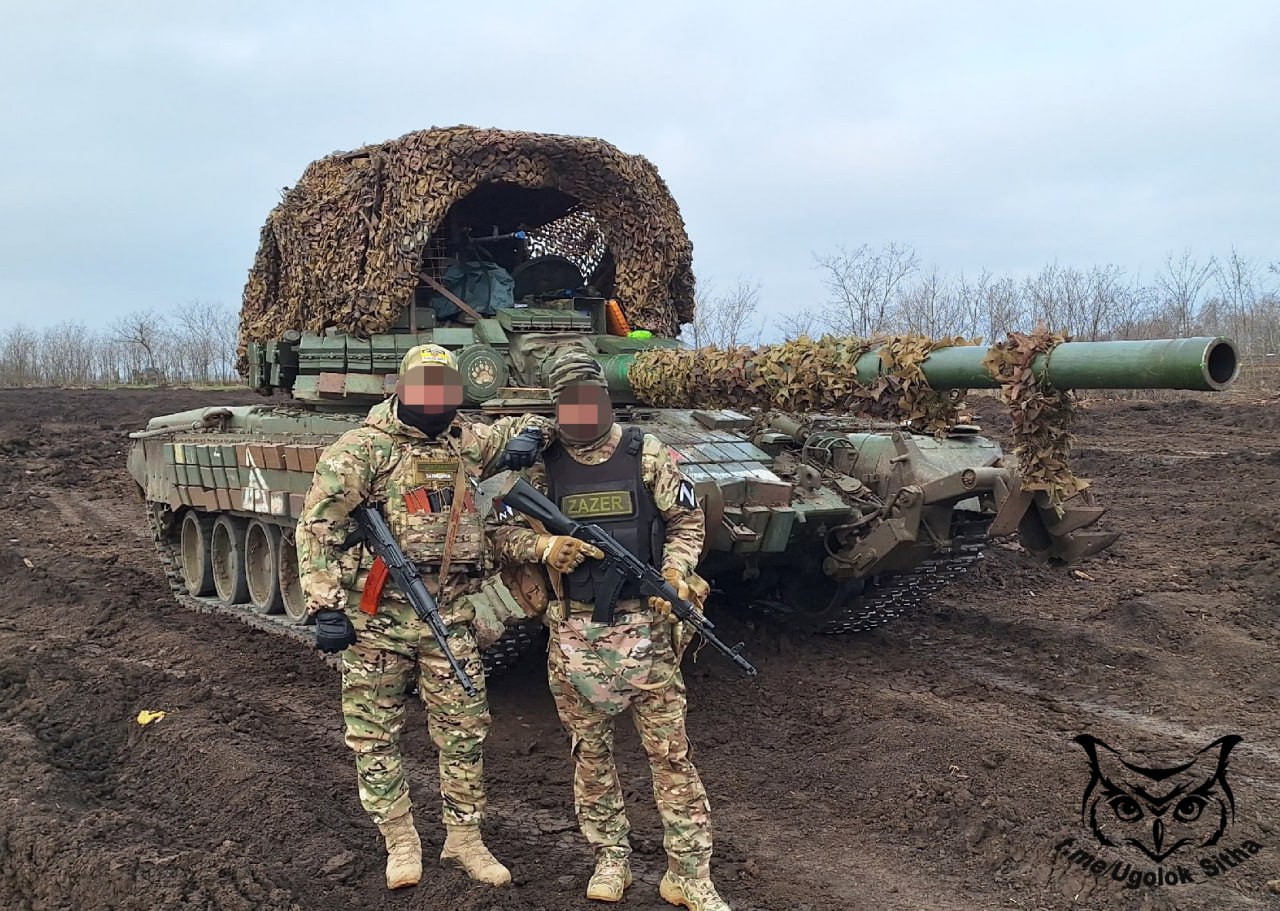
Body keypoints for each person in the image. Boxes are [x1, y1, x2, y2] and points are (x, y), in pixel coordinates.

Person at [295, 343, 550, 891]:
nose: (436, 397)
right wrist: (324, 607)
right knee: (374, 735)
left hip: (451, 614)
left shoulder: (469, 440)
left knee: (463, 731)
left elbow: (534, 419)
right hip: (377, 620)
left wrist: (532, 437)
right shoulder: (363, 449)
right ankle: (401, 840)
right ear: (404, 387)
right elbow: (318, 528)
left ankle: (464, 839)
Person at [493, 349, 731, 910]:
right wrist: (545, 545)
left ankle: (690, 874)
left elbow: (686, 518)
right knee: (591, 756)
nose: (581, 411)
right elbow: (496, 534)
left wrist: (674, 571)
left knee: (671, 755)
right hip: (574, 634)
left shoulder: (643, 451)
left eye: (589, 399)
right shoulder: (537, 463)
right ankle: (610, 857)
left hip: (647, 631)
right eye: (568, 402)